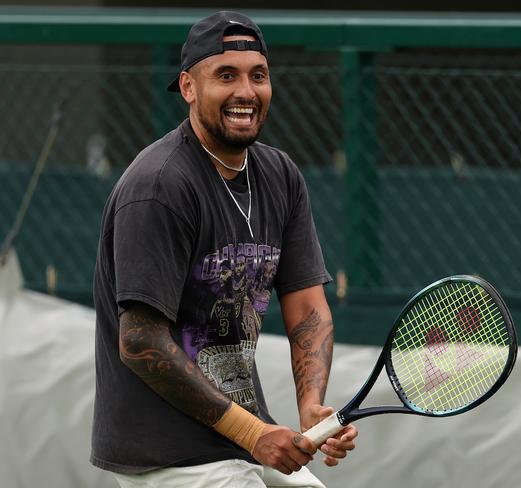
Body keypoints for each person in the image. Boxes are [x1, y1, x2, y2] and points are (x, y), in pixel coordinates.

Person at [90, 11, 357, 488]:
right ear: (189, 87)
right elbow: (139, 341)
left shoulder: (281, 175)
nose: (246, 93)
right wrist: (254, 434)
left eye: (258, 76)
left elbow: (307, 308)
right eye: (226, 76)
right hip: (166, 457)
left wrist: (311, 405)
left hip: (239, 444)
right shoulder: (160, 185)